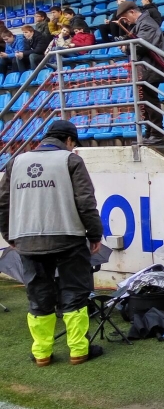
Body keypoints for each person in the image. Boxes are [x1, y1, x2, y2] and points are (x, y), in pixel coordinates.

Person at [0, 120, 105, 367]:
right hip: (68, 238)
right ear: (69, 140)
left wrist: (9, 235)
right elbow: (86, 201)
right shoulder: (70, 160)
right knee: (74, 294)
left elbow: (3, 203)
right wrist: (95, 234)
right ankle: (79, 351)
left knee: (38, 296)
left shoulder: (16, 162)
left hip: (27, 240)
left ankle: (42, 354)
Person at [117, 0, 164, 145]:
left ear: (132, 12)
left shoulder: (147, 23)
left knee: (150, 101)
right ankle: (150, 132)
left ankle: (156, 134)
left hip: (149, 68)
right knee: (145, 102)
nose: (127, 22)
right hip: (145, 69)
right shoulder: (141, 24)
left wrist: (126, 48)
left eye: (126, 18)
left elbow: (142, 45)